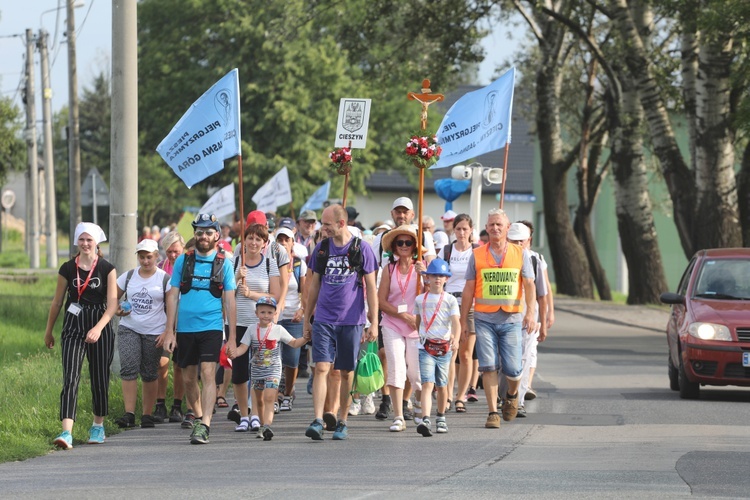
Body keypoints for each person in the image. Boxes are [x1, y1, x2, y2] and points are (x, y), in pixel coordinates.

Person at [460, 208, 542, 429]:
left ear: (507, 228)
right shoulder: (476, 254)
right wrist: (462, 322)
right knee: (488, 366)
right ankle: (492, 412)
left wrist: (531, 313)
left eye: (499, 225)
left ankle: (513, 395)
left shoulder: (520, 253)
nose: (495, 228)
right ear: (486, 229)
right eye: (491, 225)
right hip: (484, 318)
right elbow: (468, 289)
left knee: (514, 370)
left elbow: (529, 285)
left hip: (511, 319)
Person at [160, 213, 237, 445]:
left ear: (217, 235)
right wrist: (169, 331)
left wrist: (232, 337)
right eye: (200, 232)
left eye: (208, 232)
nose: (203, 236)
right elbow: (173, 296)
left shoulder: (225, 263)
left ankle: (205, 424)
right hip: (185, 328)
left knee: (208, 373)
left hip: (211, 326)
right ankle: (199, 415)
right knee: (189, 378)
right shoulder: (184, 260)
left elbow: (230, 301)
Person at [304, 204, 379, 440]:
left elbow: (372, 288)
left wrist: (374, 321)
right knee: (322, 367)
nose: (322, 228)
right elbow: (314, 284)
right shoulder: (322, 249)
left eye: (326, 224)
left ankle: (343, 420)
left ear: (341, 223)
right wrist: (307, 317)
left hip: (351, 319)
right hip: (325, 318)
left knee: (346, 372)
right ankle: (318, 419)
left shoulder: (362, 249)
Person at [44, 222, 118, 449]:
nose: (85, 244)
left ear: (96, 242)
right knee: (71, 377)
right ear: (77, 241)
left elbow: (113, 304)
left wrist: (98, 328)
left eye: (89, 240)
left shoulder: (107, 268)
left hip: (100, 323)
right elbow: (57, 301)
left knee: (98, 376)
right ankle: (67, 431)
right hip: (73, 323)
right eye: (82, 240)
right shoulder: (67, 268)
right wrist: (49, 330)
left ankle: (98, 425)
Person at [227, 222, 281, 433]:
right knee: (239, 373)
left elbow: (274, 296)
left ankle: (257, 414)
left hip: (262, 326)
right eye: (250, 238)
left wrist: (252, 295)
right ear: (244, 240)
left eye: (258, 239)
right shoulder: (234, 263)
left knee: (260, 372)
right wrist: (236, 278)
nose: (253, 242)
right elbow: (226, 291)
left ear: (264, 243)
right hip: (238, 323)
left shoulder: (269, 264)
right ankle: (244, 415)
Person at [229, 297, 307, 440]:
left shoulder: (278, 329)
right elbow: (243, 348)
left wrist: (306, 338)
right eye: (262, 312)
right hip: (257, 372)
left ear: (275, 314)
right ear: (256, 313)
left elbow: (294, 343)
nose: (266, 315)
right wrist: (234, 353)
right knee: (258, 401)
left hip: (273, 371)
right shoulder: (251, 329)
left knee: (269, 397)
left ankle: (267, 427)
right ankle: (260, 423)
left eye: (270, 312)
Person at [114, 239, 171, 429]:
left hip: (154, 331)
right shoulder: (128, 276)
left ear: (156, 256)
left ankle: (147, 414)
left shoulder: (164, 279)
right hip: (129, 328)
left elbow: (172, 307)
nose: (145, 261)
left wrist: (167, 332)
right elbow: (112, 296)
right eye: (141, 257)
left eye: (149, 257)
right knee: (128, 368)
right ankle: (129, 414)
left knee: (149, 372)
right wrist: (117, 309)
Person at [378, 224, 426, 432]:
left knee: (416, 374)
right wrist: (402, 314)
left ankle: (417, 401)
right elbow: (381, 301)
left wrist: (425, 275)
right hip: (392, 323)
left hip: (417, 326)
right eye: (400, 243)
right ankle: (398, 415)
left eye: (408, 242)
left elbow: (432, 295)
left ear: (415, 246)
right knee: (396, 368)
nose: (404, 246)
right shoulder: (389, 269)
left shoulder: (422, 267)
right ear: (394, 247)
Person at [505, 221, 551, 417]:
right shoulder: (500, 258)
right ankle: (505, 396)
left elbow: (542, 294)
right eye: (512, 241)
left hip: (527, 319)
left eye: (520, 241)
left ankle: (519, 400)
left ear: (529, 241)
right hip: (503, 317)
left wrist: (543, 321)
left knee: (523, 358)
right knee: (504, 361)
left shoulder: (535, 260)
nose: (517, 245)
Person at [437, 213, 480, 413]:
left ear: (471, 230)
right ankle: (446, 395)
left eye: (465, 229)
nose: (462, 233)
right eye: (458, 229)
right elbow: (436, 272)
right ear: (453, 230)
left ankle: (460, 396)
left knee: (465, 354)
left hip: (470, 305)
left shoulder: (477, 251)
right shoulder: (447, 251)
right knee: (449, 352)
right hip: (448, 303)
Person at [414, 258, 460, 436]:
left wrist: (455, 338)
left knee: (442, 385)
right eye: (434, 275)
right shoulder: (420, 299)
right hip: (425, 347)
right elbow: (417, 321)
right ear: (427, 278)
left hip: (445, 347)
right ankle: (426, 418)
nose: (437, 279)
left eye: (441, 276)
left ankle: (440, 417)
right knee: (427, 383)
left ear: (446, 278)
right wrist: (421, 335)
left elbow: (455, 322)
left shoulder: (450, 300)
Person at [155, 231, 186, 423]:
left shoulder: (188, 268)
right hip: (164, 321)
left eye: (176, 251)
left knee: (180, 365)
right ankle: (160, 404)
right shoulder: (159, 268)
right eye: (169, 252)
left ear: (182, 249)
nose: (173, 255)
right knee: (162, 363)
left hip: (184, 321)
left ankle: (177, 405)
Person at [274, 226, 307, 412]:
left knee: (292, 360)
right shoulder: (269, 263)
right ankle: (277, 394)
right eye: (280, 239)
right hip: (275, 318)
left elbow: (306, 291)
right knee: (275, 358)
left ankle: (288, 393)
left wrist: (302, 311)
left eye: (287, 240)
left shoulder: (298, 265)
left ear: (292, 243)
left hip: (293, 317)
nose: (283, 243)